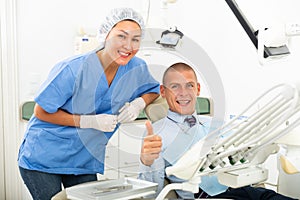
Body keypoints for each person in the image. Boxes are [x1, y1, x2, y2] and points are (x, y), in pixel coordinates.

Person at [18, 7, 160, 200]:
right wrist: (88, 122)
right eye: (122, 36)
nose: (129, 45)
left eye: (136, 39)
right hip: (44, 156)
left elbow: (153, 90)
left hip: (83, 159)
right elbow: (41, 112)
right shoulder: (72, 69)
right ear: (105, 35)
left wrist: (139, 103)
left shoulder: (137, 68)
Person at [138, 62, 296, 199]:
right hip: (205, 196)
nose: (183, 92)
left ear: (197, 89)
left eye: (189, 85)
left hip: (243, 188)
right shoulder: (155, 136)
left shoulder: (217, 124)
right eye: (175, 87)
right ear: (163, 92)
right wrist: (147, 162)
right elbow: (154, 193)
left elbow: (242, 152)